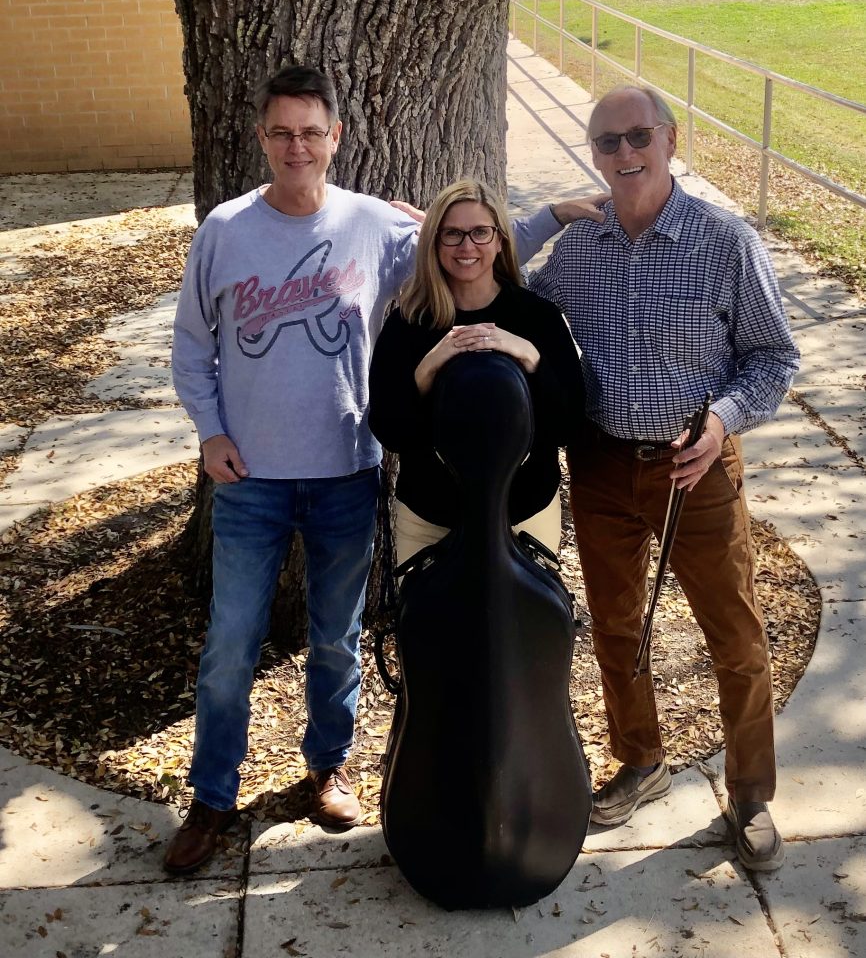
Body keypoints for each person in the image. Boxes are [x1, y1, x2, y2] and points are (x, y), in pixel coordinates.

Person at [167, 62, 602, 875]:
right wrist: (209, 432)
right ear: (261, 137)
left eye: (311, 132)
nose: (297, 146)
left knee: (336, 638)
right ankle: (212, 797)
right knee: (230, 645)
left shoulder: (373, 225)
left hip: (345, 471)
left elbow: (473, 251)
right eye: (281, 132)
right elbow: (193, 346)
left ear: (335, 137)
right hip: (249, 478)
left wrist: (549, 215)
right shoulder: (224, 230)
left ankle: (327, 769)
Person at [531, 85, 800, 872]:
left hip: (696, 466)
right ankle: (641, 762)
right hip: (602, 463)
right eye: (607, 142)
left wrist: (721, 422)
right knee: (617, 625)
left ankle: (751, 795)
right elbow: (505, 292)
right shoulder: (578, 249)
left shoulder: (725, 241)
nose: (625, 153)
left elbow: (774, 357)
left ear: (670, 141)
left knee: (734, 634)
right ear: (594, 154)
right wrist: (510, 225)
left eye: (638, 136)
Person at [369, 179, 591, 564]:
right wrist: (427, 370)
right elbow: (391, 431)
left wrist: (531, 358)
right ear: (434, 242)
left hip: (524, 515)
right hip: (430, 519)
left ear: (500, 240)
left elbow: (568, 426)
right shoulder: (409, 324)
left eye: (480, 232)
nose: (467, 246)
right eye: (452, 233)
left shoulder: (537, 317)